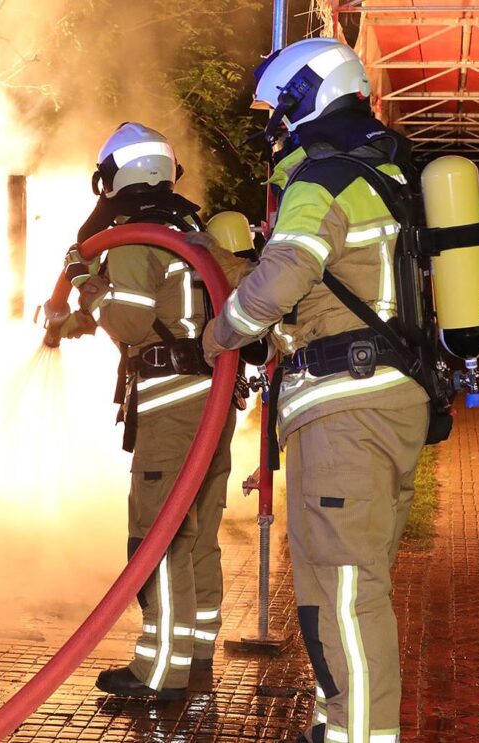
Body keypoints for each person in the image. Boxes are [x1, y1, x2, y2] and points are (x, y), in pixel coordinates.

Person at [202, 39, 430, 743]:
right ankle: (343, 723)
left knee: (346, 596)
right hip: (388, 403)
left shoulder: (323, 179)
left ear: (309, 95)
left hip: (346, 414)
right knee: (350, 586)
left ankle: (361, 735)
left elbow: (282, 279)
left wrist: (219, 334)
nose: (274, 129)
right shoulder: (382, 171)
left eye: (278, 110)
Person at [58, 122, 242, 699]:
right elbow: (158, 308)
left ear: (113, 175)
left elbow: (133, 322)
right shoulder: (187, 229)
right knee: (199, 535)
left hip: (171, 405)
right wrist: (74, 320)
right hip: (213, 397)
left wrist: (84, 280)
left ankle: (160, 670)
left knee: (157, 537)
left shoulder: (134, 236)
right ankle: (196, 653)